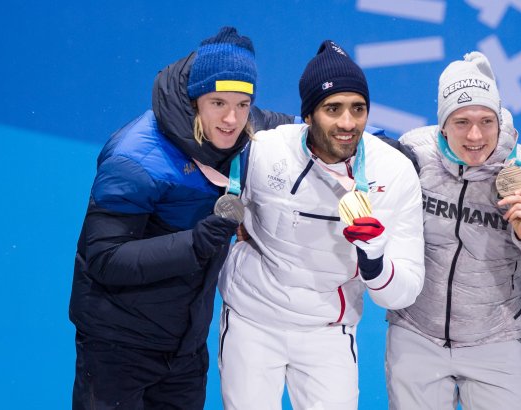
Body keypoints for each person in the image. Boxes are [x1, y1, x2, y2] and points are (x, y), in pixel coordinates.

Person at [69, 27, 295, 409]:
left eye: (242, 104)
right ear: (195, 101)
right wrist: (193, 244)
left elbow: (308, 131)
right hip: (117, 347)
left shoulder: (247, 123)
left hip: (185, 350)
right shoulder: (137, 158)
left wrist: (383, 148)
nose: (231, 118)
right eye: (218, 103)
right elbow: (105, 258)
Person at [217, 40, 425, 410]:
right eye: (333, 109)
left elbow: (403, 293)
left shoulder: (393, 172)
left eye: (358, 109)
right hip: (253, 320)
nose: (348, 123)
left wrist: (375, 262)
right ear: (308, 116)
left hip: (328, 332)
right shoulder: (265, 151)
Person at [386, 51, 521, 409]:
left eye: (486, 121)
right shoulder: (414, 155)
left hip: (495, 342)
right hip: (415, 335)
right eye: (461, 122)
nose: (475, 135)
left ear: (500, 119)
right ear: (441, 123)